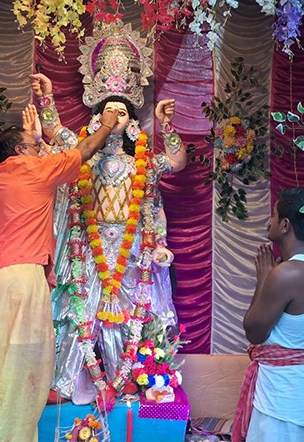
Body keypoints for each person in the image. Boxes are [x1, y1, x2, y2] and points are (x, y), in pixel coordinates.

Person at [28, 22, 188, 409]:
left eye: (121, 111)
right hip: (90, 244)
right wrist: (48, 98)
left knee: (131, 316)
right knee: (79, 315)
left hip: (132, 248)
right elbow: (55, 132)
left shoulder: (143, 163)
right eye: (107, 110)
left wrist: (166, 124)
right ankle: (70, 384)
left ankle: (135, 381)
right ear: (96, 117)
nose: (114, 116)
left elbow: (178, 163)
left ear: (132, 121)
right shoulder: (84, 156)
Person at [0, 104, 117, 442]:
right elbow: (84, 150)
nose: (38, 150)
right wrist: (104, 126)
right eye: (32, 147)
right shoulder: (33, 170)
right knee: (22, 362)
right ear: (20, 152)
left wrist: (34, 139)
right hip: (20, 277)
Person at [233, 187, 304, 442]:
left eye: (275, 216)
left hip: (284, 399)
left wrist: (264, 278)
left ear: (286, 225)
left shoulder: (287, 273)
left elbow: (253, 331)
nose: (271, 221)